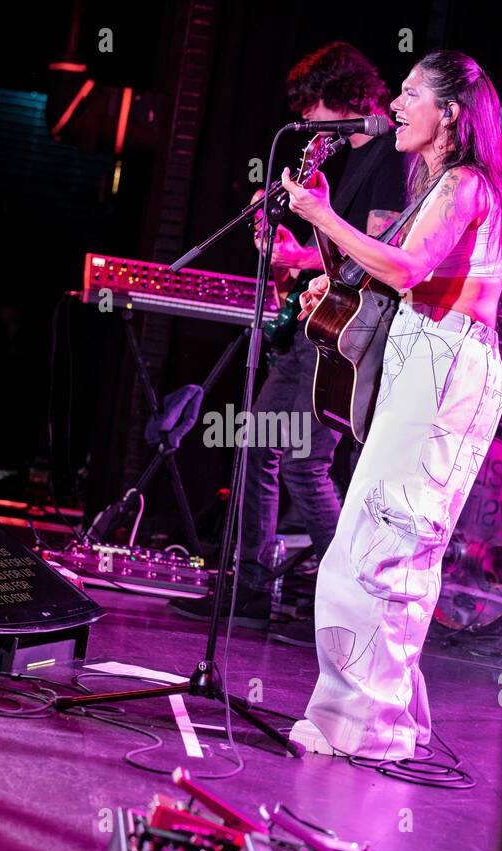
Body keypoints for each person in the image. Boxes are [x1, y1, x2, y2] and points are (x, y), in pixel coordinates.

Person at [279, 50, 502, 759]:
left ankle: (369, 727)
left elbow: (408, 270)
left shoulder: (467, 185)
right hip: (426, 363)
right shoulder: (438, 183)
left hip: (446, 372)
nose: (395, 105)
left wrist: (322, 213)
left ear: (450, 113)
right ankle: (377, 719)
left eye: (412, 94)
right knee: (380, 546)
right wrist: (322, 242)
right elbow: (388, 277)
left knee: (388, 547)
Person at [169, 41, 407, 636]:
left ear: (348, 100)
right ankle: (270, 593)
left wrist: (305, 245)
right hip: (316, 327)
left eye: (315, 109)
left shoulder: (389, 158)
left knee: (298, 462)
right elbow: (339, 250)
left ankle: (338, 606)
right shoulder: (350, 158)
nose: (308, 123)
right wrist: (287, 245)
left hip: (344, 335)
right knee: (273, 453)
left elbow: (378, 257)